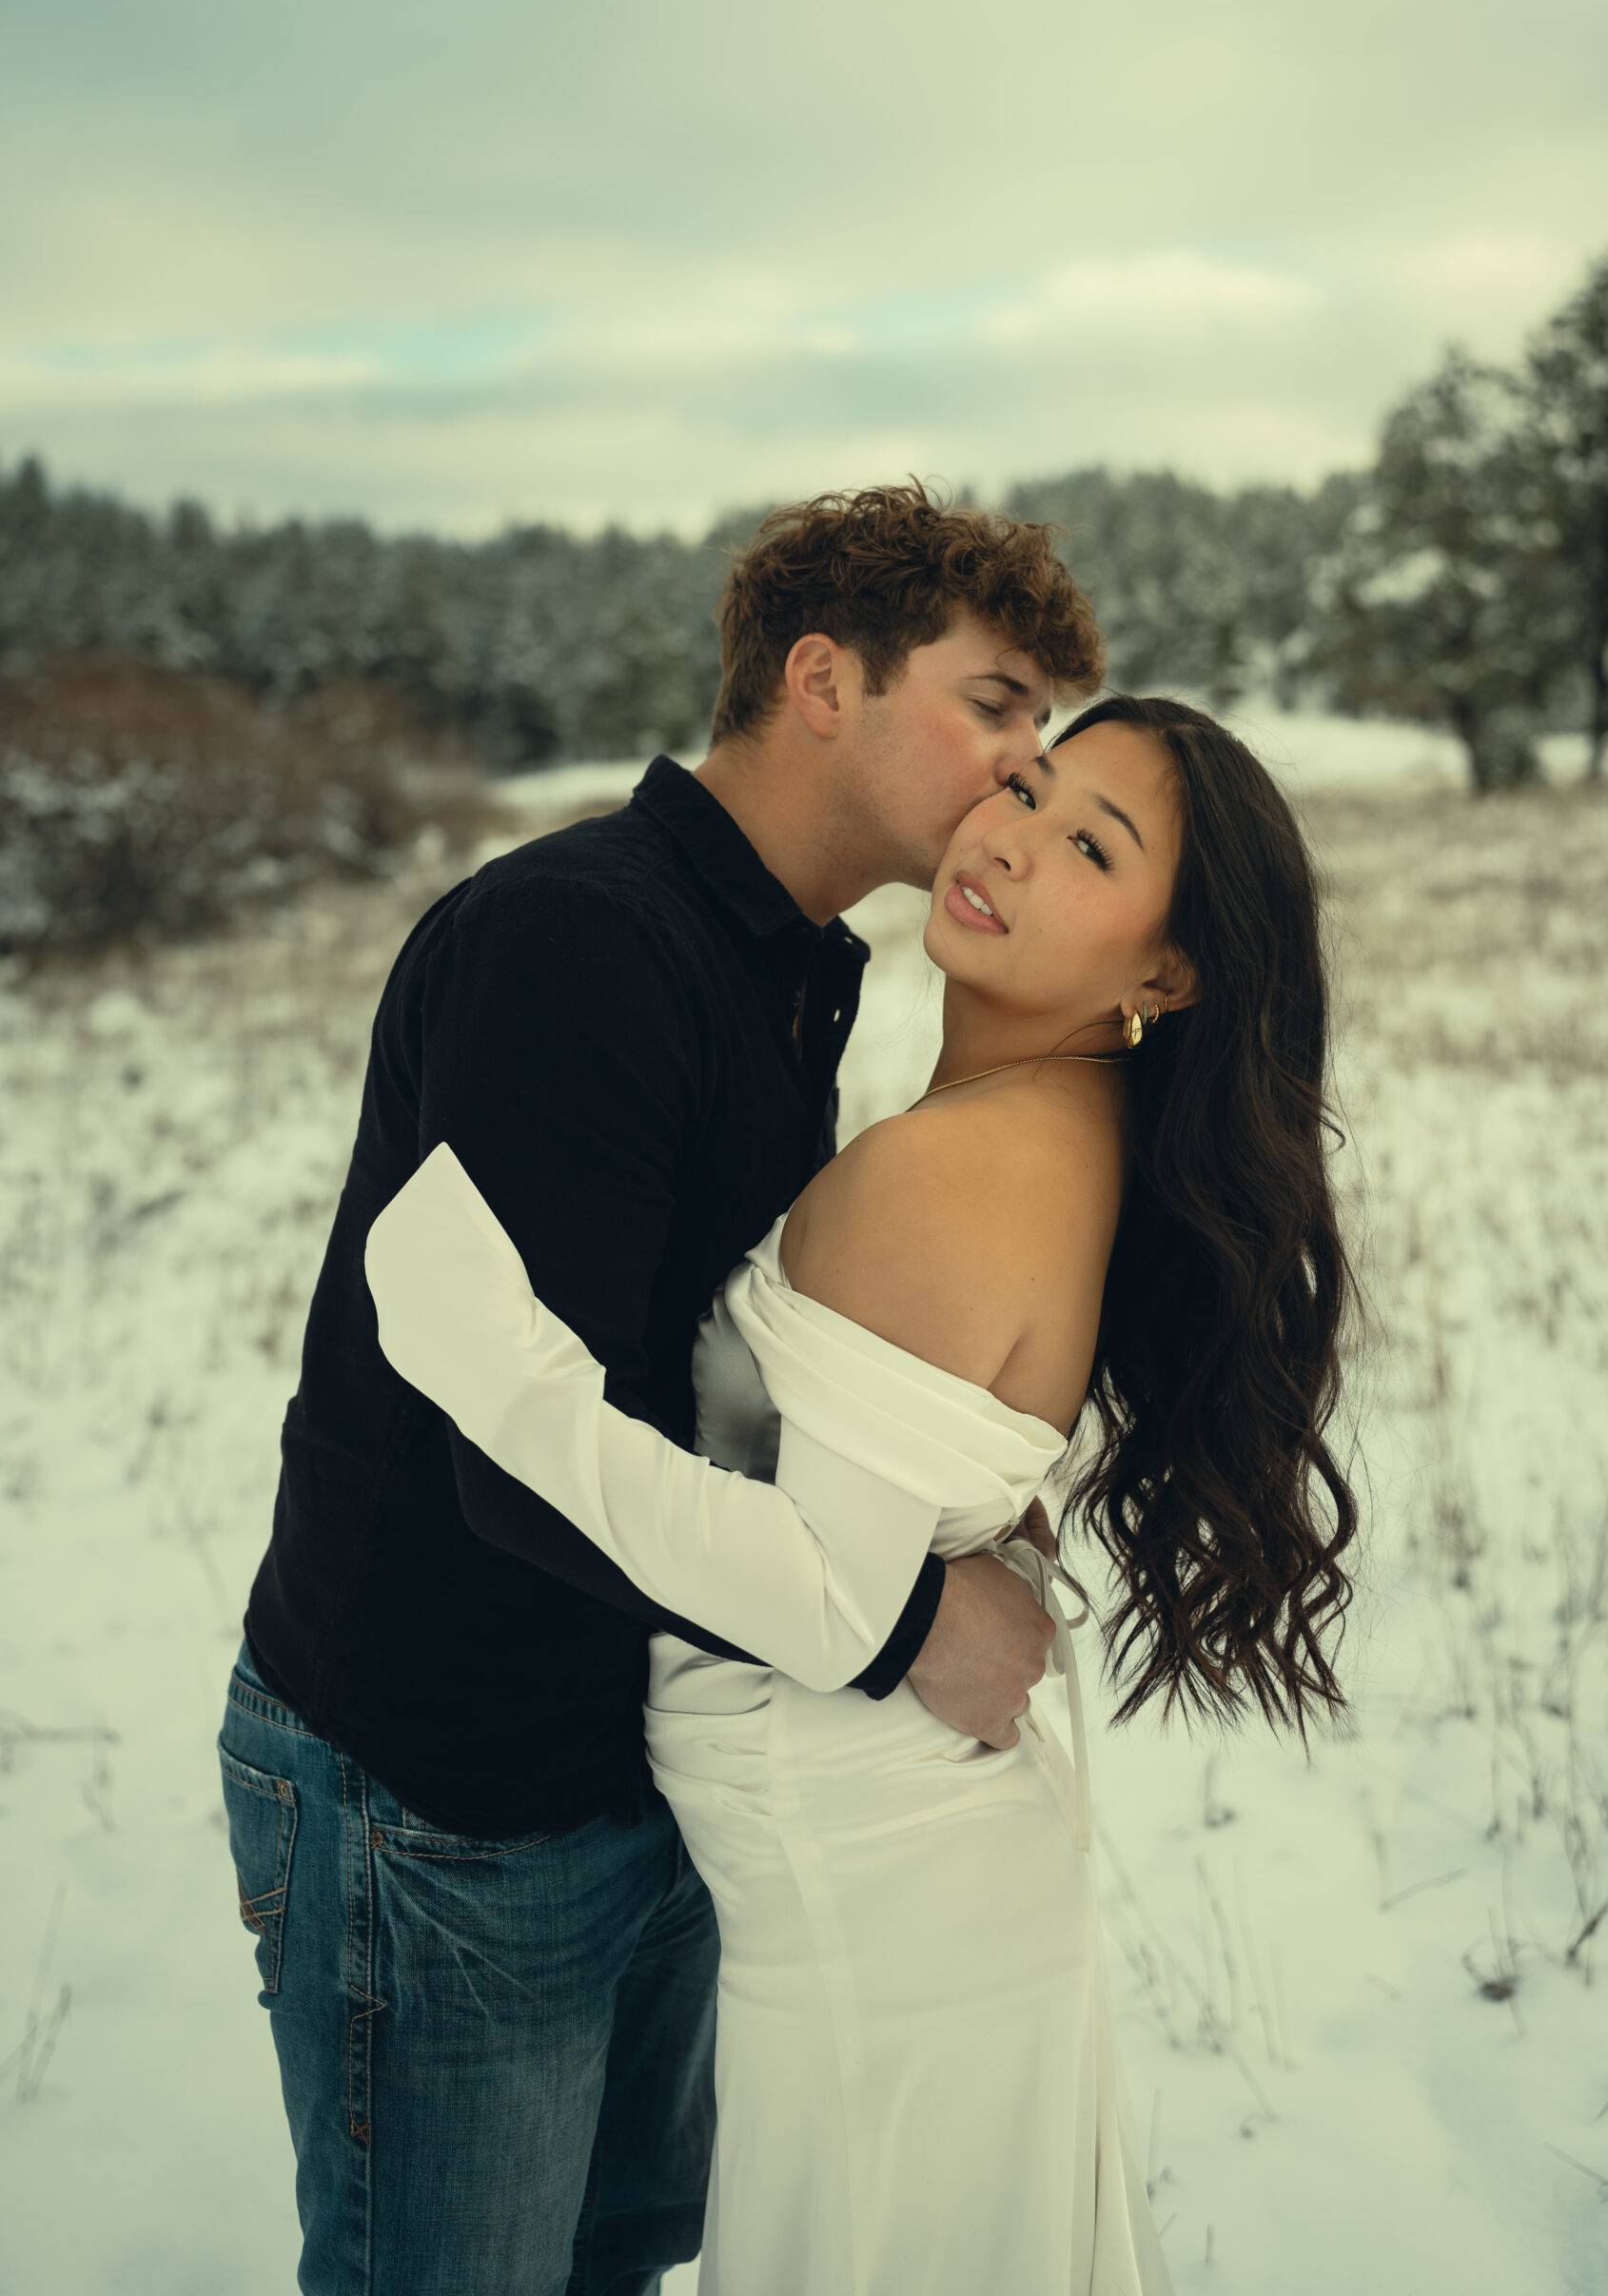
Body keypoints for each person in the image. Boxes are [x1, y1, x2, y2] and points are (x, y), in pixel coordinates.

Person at [217, 483, 1104, 2293]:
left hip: (628, 1759)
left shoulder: (798, 969)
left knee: (621, 2261)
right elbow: (515, 1461)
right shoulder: (580, 946)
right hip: (436, 1793)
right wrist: (901, 1618)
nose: (1026, 768)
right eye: (996, 702)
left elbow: (699, 1363)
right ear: (820, 678)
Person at [365, 695, 1360, 2294]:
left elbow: (829, 1593)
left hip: (874, 1911)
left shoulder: (960, 1169)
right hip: (901, 1885)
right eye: (1029, 787)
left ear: (1163, 975)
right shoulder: (1042, 1131)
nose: (1015, 842)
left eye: (1092, 846)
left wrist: (497, 1372)